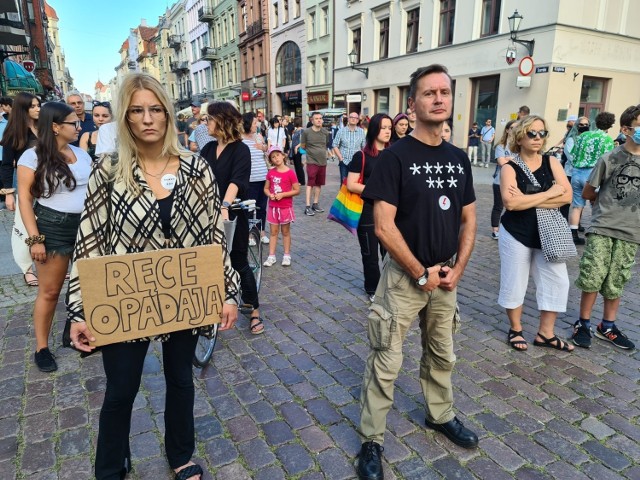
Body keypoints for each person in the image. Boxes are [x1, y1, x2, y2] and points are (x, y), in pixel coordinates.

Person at [68, 73, 240, 480]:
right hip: (124, 298)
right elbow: (89, 241)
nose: (148, 119)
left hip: (183, 295)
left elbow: (212, 238)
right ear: (125, 119)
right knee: (121, 390)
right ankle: (111, 466)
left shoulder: (196, 168)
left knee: (180, 380)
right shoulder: (109, 169)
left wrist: (229, 292)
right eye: (137, 111)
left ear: (167, 114)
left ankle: (181, 454)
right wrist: (79, 309)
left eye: (155, 110)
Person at [356, 64, 478, 480]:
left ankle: (439, 414)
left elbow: (469, 219)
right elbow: (382, 225)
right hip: (404, 279)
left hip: (446, 278)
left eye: (445, 91)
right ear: (413, 103)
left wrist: (456, 269)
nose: (439, 98)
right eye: (429, 93)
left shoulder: (459, 158)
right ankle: (372, 439)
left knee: (442, 352)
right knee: (385, 357)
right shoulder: (394, 158)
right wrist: (419, 272)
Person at [17, 102, 91, 372]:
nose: (78, 126)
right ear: (56, 127)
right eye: (73, 123)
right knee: (49, 291)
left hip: (86, 227)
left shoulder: (81, 154)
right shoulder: (32, 157)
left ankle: (74, 331)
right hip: (53, 226)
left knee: (85, 286)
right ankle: (41, 348)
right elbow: (25, 200)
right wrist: (35, 239)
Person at [498, 115, 574, 353]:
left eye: (542, 133)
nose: (538, 138)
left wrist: (527, 199)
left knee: (557, 280)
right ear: (520, 136)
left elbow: (567, 197)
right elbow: (510, 204)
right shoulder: (509, 167)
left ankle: (546, 333)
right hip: (516, 232)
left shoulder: (553, 163)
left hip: (548, 233)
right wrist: (549, 192)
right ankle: (516, 329)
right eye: (532, 133)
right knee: (515, 280)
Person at [570, 105, 640, 350]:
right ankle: (583, 323)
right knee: (592, 275)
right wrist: (605, 204)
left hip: (632, 232)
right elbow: (589, 191)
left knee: (616, 280)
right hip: (603, 227)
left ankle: (607, 326)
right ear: (626, 129)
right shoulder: (610, 158)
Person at [201, 101, 264, 335]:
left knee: (237, 262)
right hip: (207, 214)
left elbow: (237, 181)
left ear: (222, 120)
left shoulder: (241, 149)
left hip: (232, 212)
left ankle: (254, 310)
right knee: (209, 261)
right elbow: (199, 178)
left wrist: (224, 205)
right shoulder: (207, 149)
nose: (206, 122)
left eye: (209, 118)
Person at [345, 113, 392, 301]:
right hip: (367, 211)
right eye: (384, 128)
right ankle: (373, 288)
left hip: (390, 211)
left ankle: (389, 286)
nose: (388, 131)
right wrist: (377, 190)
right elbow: (351, 184)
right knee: (370, 254)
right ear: (374, 130)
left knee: (390, 253)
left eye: (390, 127)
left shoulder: (393, 155)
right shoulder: (361, 156)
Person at [0, 92, 40, 286]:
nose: (38, 108)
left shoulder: (45, 127)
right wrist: (8, 193)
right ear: (23, 109)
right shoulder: (14, 132)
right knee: (24, 227)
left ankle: (46, 266)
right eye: (33, 106)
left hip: (50, 186)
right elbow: (6, 164)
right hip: (26, 186)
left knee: (47, 226)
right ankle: (27, 269)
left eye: (38, 105)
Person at [569, 112, 616, 245]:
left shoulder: (583, 135)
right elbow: (608, 160)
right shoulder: (607, 139)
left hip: (577, 172)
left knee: (577, 206)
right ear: (610, 125)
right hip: (593, 174)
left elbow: (574, 153)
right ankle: (595, 232)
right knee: (596, 204)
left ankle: (573, 234)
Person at [263, 145, 300, 267]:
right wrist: (270, 195)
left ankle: (286, 254)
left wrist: (283, 195)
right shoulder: (271, 173)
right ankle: (271, 255)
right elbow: (266, 188)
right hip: (273, 207)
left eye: (278, 155)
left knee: (285, 231)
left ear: (283, 156)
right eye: (273, 157)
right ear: (271, 160)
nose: (276, 158)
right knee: (273, 232)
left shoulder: (290, 173)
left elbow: (296, 190)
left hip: (285, 207)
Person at [241, 111, 269, 244]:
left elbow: (267, 151)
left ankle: (262, 231)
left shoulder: (258, 136)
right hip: (250, 179)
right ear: (247, 124)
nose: (256, 125)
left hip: (263, 177)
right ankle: (249, 235)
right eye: (253, 123)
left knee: (262, 207)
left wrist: (263, 147)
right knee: (250, 208)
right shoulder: (239, 139)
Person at [300, 111, 331, 216]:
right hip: (311, 161)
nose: (319, 120)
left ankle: (315, 204)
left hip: (323, 161)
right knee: (310, 183)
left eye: (320, 118)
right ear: (312, 120)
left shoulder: (325, 132)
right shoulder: (306, 132)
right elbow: (303, 146)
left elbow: (325, 145)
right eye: (316, 118)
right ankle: (307, 206)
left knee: (319, 183)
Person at [490, 120, 516, 239]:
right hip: (499, 181)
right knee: (498, 206)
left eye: (517, 128)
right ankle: (495, 230)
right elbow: (501, 162)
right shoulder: (501, 146)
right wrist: (514, 160)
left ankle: (509, 229)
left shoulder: (520, 146)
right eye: (512, 128)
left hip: (516, 181)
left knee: (514, 207)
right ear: (507, 130)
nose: (514, 130)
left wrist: (509, 159)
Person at [332, 111, 366, 184]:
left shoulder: (361, 132)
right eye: (351, 117)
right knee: (344, 183)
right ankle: (342, 196)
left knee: (355, 183)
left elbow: (364, 147)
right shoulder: (341, 131)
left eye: (355, 118)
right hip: (344, 162)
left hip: (357, 162)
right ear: (348, 119)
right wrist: (340, 158)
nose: (353, 119)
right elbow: (335, 145)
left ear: (357, 120)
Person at [289, 117, 305, 186]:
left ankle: (302, 181)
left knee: (298, 166)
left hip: (297, 150)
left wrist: (297, 147)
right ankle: (299, 180)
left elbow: (303, 140)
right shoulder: (296, 130)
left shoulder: (301, 130)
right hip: (294, 150)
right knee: (296, 165)